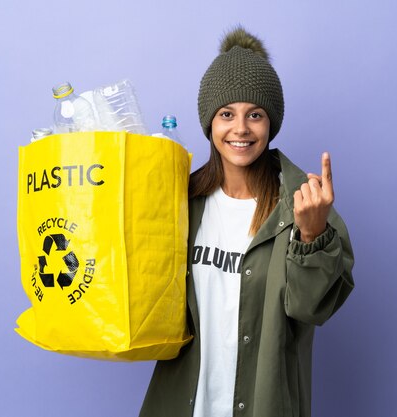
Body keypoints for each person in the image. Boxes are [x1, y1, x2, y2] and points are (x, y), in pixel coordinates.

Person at [140, 26, 354, 417]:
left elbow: (313, 310)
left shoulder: (304, 205)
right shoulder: (181, 202)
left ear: (270, 123)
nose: (240, 129)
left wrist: (312, 236)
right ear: (210, 123)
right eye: (227, 114)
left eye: (254, 114)